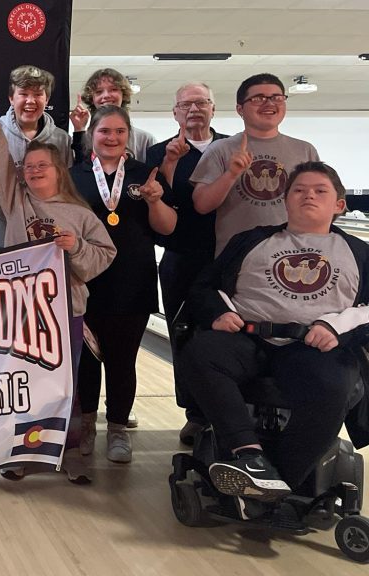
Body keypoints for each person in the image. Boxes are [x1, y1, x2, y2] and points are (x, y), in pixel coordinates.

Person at [182, 161, 365, 501]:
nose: (308, 195)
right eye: (298, 190)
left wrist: (336, 327)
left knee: (335, 384)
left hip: (311, 349)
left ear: (339, 204)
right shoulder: (250, 240)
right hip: (248, 338)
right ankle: (249, 457)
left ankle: (281, 482)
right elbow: (203, 288)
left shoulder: (359, 252)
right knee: (201, 352)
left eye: (319, 191)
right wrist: (218, 312)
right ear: (285, 199)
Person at [0, 97, 116, 480]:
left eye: (42, 166)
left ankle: (62, 453)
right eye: (29, 166)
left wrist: (78, 247)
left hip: (65, 311)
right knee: (24, 382)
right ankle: (22, 451)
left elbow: (104, 256)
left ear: (59, 172)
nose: (34, 171)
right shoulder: (17, 202)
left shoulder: (81, 215)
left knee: (62, 384)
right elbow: (0, 164)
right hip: (21, 310)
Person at [71, 106, 176, 463]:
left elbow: (166, 228)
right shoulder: (73, 176)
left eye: (119, 131)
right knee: (85, 361)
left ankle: (117, 428)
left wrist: (155, 200)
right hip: (85, 281)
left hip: (133, 280)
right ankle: (86, 425)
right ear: (92, 135)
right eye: (104, 131)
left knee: (122, 360)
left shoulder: (147, 174)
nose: (111, 138)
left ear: (128, 136)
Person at [145, 82, 228, 446]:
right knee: (184, 336)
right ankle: (195, 414)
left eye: (201, 103)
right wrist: (169, 163)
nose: (194, 109)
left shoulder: (232, 147)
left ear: (213, 108)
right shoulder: (158, 153)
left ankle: (229, 413)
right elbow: (154, 198)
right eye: (186, 104)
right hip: (181, 258)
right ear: (175, 112)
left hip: (230, 259)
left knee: (228, 336)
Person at [191, 73, 320, 256]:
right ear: (240, 109)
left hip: (294, 254)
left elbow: (320, 203)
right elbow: (202, 205)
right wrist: (231, 174)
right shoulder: (220, 150)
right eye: (258, 98)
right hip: (237, 257)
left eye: (277, 98)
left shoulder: (305, 150)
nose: (269, 103)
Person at [0, 65, 73, 248]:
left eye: (38, 94)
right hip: (1, 233)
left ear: (47, 99)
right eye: (24, 94)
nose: (30, 101)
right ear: (11, 98)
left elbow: (67, 189)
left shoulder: (61, 139)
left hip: (48, 232)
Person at [70, 68, 155, 163]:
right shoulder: (82, 138)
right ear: (91, 98)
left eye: (113, 89)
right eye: (99, 92)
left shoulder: (144, 139)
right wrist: (79, 129)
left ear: (123, 95)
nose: (106, 95)